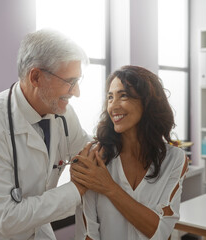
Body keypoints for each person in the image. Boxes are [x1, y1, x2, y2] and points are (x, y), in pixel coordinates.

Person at [0, 29, 93, 239]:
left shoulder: (61, 112)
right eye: (69, 82)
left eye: (78, 81)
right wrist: (77, 189)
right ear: (36, 77)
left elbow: (88, 153)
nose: (76, 92)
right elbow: (8, 219)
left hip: (34, 227)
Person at [71, 65, 189, 240]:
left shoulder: (174, 159)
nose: (113, 106)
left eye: (123, 95)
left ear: (147, 101)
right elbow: (87, 233)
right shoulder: (96, 157)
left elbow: (160, 231)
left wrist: (108, 187)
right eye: (110, 98)